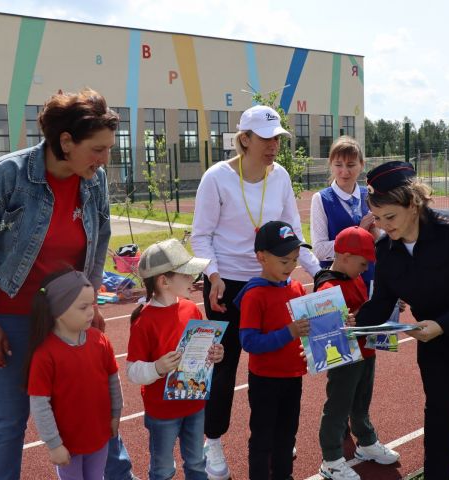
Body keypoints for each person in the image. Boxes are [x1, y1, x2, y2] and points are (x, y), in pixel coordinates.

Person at [0, 88, 137, 480]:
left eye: (108, 149)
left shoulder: (94, 181)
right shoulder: (5, 177)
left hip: (66, 317)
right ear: (66, 141)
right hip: (9, 318)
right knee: (9, 419)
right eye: (98, 149)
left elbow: (98, 241)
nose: (105, 160)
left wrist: (91, 304)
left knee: (91, 402)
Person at [354, 161, 449, 480]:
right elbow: (382, 302)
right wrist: (346, 326)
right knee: (438, 414)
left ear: (413, 203)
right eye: (378, 219)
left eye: (390, 217)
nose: (384, 227)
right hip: (434, 336)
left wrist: (443, 325)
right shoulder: (385, 249)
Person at [190, 105, 320, 479]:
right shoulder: (216, 178)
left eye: (278, 138)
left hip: (274, 283)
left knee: (280, 362)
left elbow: (294, 233)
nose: (274, 146)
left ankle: (279, 437)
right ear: (244, 139)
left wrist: (318, 271)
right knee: (224, 365)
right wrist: (212, 275)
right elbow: (201, 235)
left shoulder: (279, 177)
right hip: (226, 285)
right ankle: (213, 440)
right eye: (266, 138)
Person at [126, 239, 224, 480]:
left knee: (197, 464)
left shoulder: (192, 309)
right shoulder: (144, 321)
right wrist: (157, 368)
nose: (194, 279)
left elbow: (202, 354)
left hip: (195, 405)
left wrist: (215, 354)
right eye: (187, 274)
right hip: (162, 412)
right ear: (164, 281)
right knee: (162, 469)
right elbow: (132, 371)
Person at [314, 226, 400, 480]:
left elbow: (366, 307)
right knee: (338, 408)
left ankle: (366, 443)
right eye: (362, 263)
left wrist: (391, 307)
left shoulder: (355, 278)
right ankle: (330, 459)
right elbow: (322, 332)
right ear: (345, 256)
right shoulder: (327, 287)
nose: (365, 269)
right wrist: (342, 323)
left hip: (367, 351)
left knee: (362, 401)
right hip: (345, 358)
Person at [26, 269, 122, 479]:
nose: (92, 312)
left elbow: (113, 380)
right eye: (83, 306)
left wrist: (116, 414)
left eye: (93, 304)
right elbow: (40, 403)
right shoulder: (45, 354)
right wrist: (54, 444)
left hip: (99, 436)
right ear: (58, 310)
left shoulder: (100, 340)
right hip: (68, 444)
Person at [233, 220, 311, 480]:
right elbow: (249, 342)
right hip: (265, 380)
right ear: (261, 257)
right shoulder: (254, 295)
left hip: (293, 377)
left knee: (287, 435)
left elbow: (310, 329)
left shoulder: (297, 288)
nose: (291, 267)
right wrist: (288, 332)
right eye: (284, 261)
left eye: (295, 260)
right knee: (263, 437)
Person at [310, 136, 380, 289]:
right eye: (338, 165)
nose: (344, 172)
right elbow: (320, 250)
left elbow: (383, 244)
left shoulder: (370, 196)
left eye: (350, 165)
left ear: (361, 165)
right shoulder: (321, 199)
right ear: (331, 165)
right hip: (338, 285)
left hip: (372, 280)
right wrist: (358, 234)